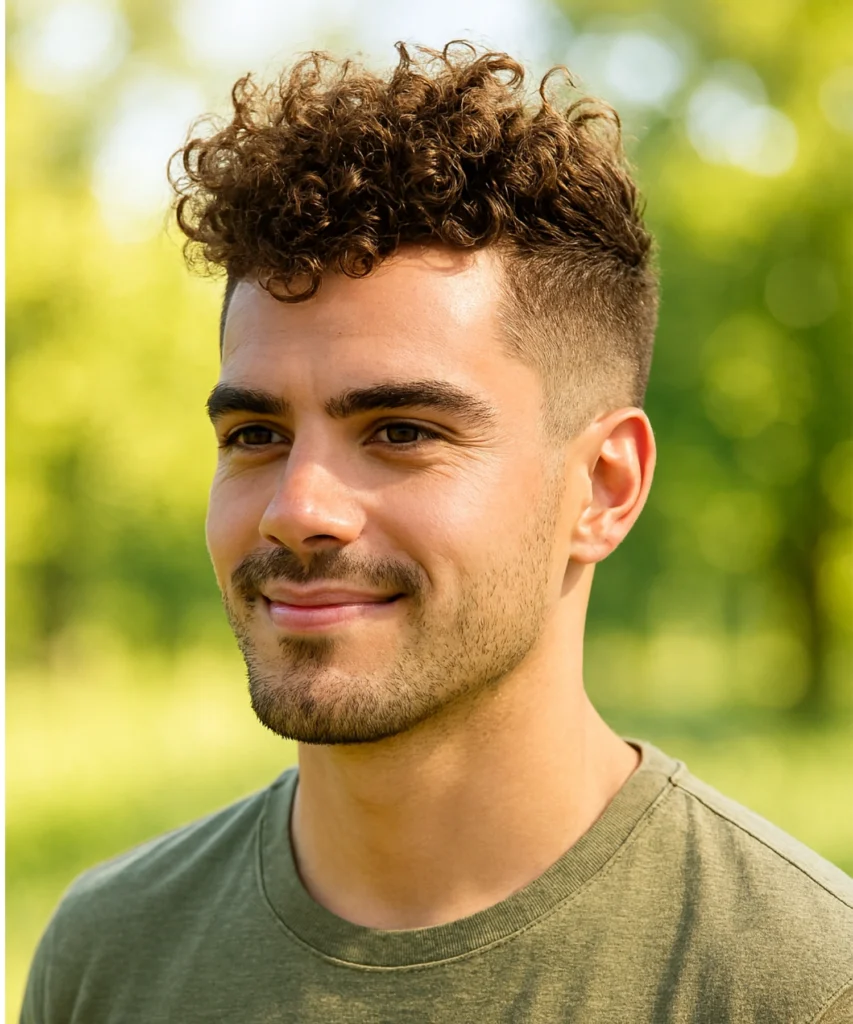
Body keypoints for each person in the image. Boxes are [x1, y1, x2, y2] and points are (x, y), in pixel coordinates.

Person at [21, 42, 852, 1024]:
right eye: (256, 433)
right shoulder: (110, 956)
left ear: (604, 486)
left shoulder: (798, 982)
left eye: (402, 431)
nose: (297, 506)